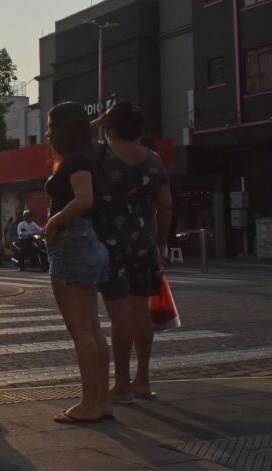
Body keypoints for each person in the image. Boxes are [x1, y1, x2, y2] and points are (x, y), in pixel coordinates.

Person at [91, 101, 172, 403]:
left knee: (119, 315)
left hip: (110, 244)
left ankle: (122, 384)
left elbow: (67, 141)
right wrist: (161, 241)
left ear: (110, 128)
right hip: (145, 244)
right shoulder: (154, 161)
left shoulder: (102, 155)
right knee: (141, 313)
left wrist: (99, 121)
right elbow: (165, 205)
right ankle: (143, 379)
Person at [43, 101, 111, 423]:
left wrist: (54, 221)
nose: (47, 132)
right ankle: (101, 402)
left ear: (62, 129)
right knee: (92, 329)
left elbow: (84, 200)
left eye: (50, 126)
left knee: (81, 330)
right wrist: (97, 120)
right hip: (85, 242)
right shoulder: (86, 154)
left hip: (73, 242)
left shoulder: (77, 160)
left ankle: (89, 404)